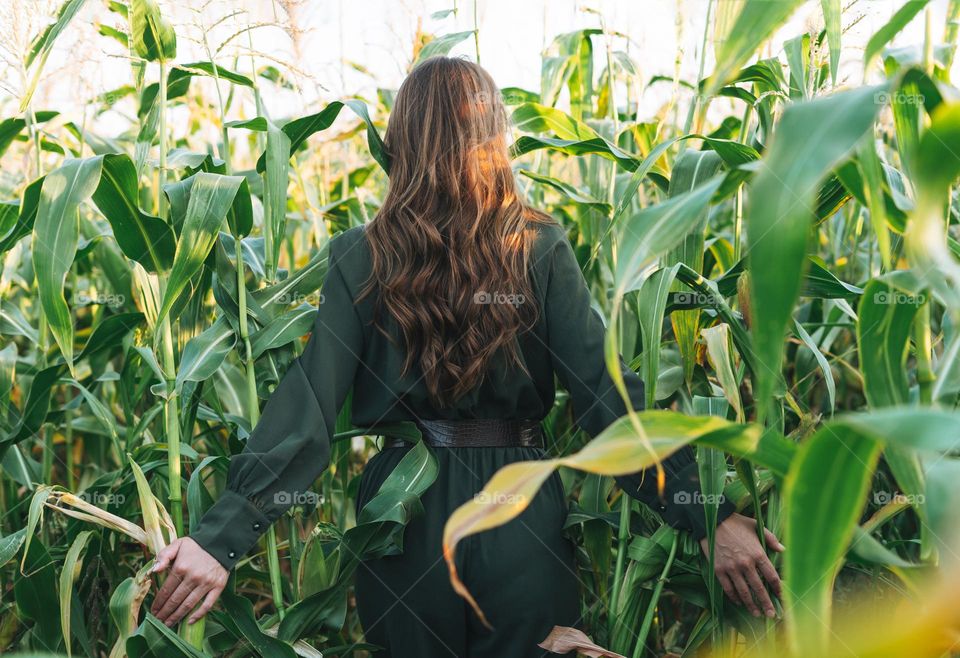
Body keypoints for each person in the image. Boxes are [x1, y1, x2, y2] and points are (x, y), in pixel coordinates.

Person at [150, 56, 784, 657]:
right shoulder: (538, 248)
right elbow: (605, 400)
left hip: (403, 514)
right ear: (493, 138)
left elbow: (307, 409)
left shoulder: (359, 255)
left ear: (401, 143)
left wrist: (220, 539)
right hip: (520, 509)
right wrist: (708, 516)